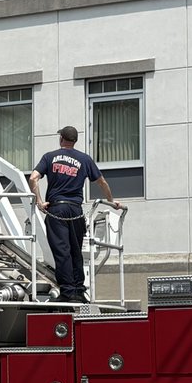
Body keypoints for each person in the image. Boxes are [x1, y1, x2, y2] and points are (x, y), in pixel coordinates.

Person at [29, 126, 121, 304]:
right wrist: (111, 201)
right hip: (76, 211)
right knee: (75, 251)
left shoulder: (49, 157)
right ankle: (79, 290)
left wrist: (40, 202)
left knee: (62, 251)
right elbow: (102, 182)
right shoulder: (84, 159)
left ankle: (68, 292)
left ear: (61, 138)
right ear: (75, 141)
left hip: (57, 210)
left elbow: (33, 178)